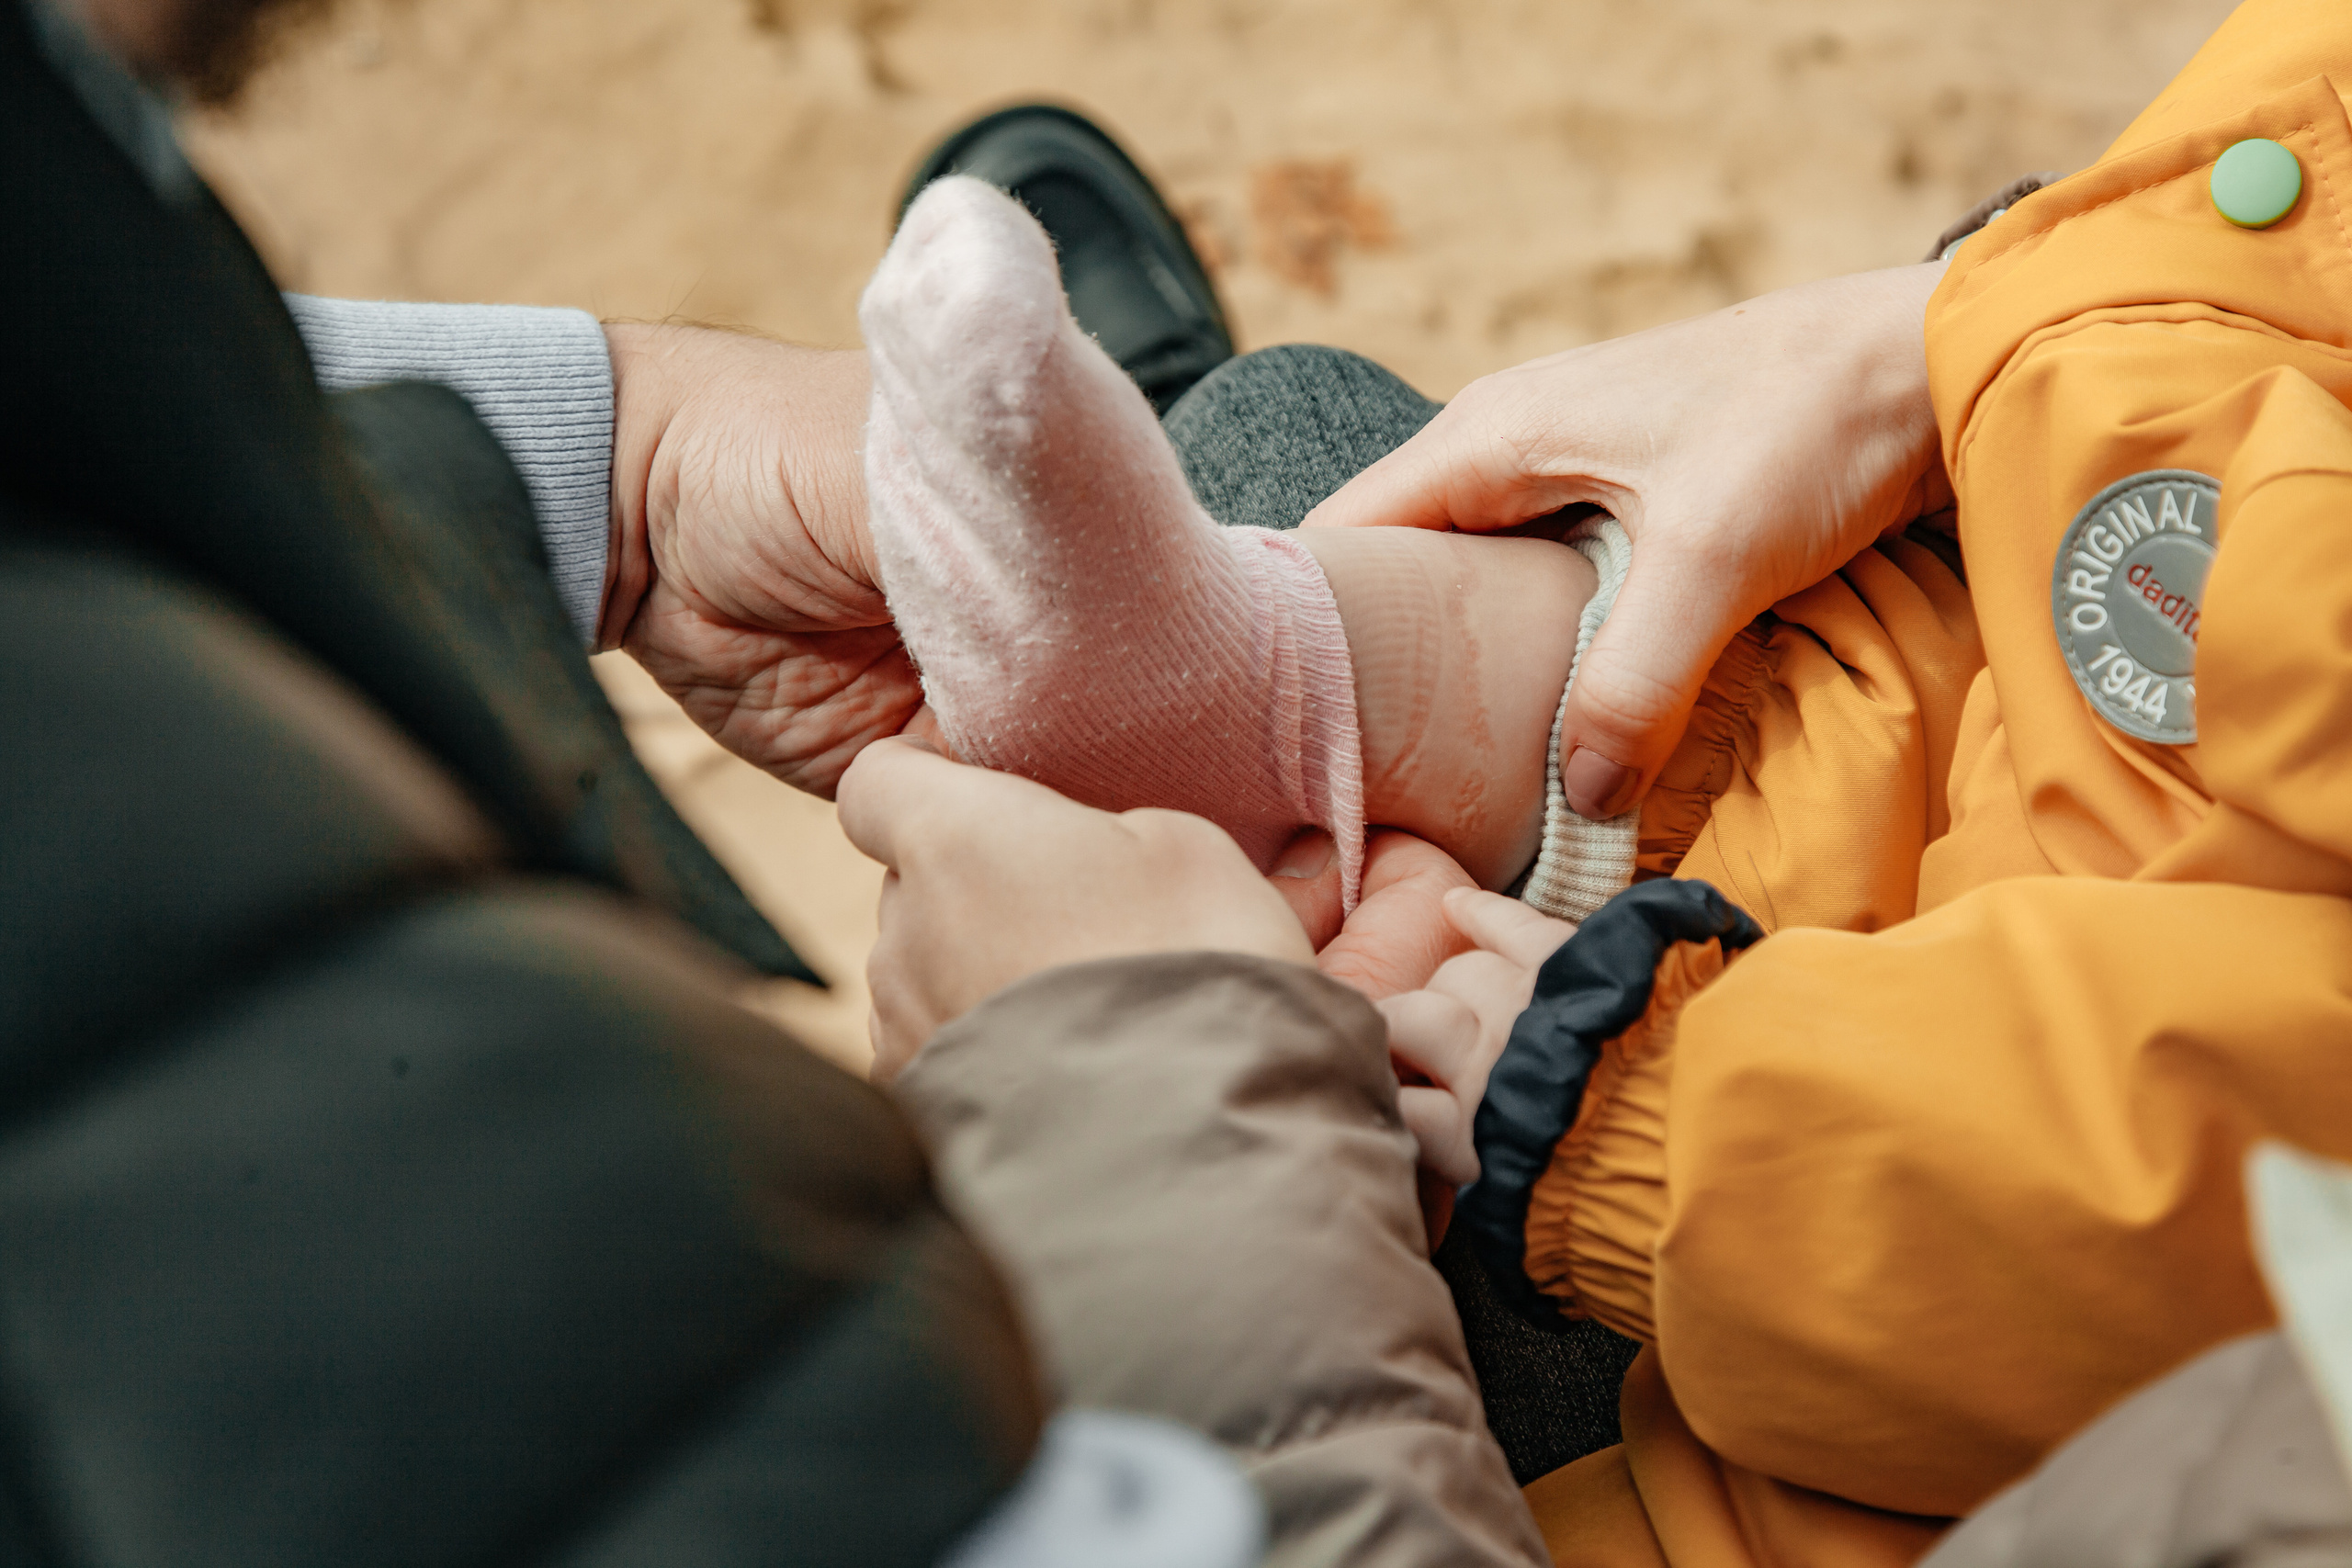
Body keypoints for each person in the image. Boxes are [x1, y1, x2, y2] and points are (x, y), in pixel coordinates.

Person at [843, 1, 2352, 1563]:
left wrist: (1647, 1116)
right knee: (1321, 465)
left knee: (1279, 439)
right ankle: (1238, 628)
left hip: (1837, 1318)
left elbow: (2209, 1258)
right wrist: (1993, 317)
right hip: (2071, 875)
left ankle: (1197, 571)